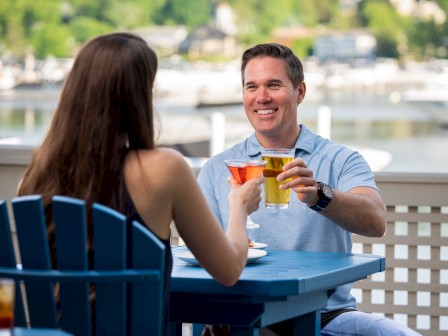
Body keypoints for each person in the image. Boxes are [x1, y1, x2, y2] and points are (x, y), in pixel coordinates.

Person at [16, 32, 263, 335]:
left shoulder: (38, 175)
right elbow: (228, 270)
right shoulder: (164, 169)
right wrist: (239, 205)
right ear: (138, 96)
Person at [198, 43, 421, 335]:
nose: (261, 97)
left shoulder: (340, 159)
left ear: (300, 92)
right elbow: (201, 258)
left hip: (327, 316)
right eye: (251, 86)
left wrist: (320, 195)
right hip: (247, 317)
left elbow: (376, 221)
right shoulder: (218, 168)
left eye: (273, 85)